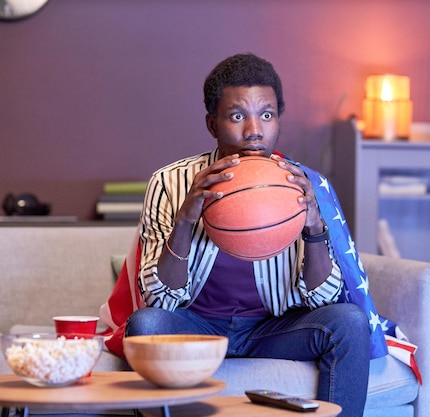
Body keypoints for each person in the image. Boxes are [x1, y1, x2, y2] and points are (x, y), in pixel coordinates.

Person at [125, 53, 371, 416]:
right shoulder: (170, 182)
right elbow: (158, 300)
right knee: (145, 324)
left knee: (349, 322)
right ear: (213, 124)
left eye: (267, 115)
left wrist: (315, 228)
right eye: (237, 116)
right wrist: (186, 219)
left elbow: (326, 300)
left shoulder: (304, 185)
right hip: (197, 327)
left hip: (273, 329)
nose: (254, 130)